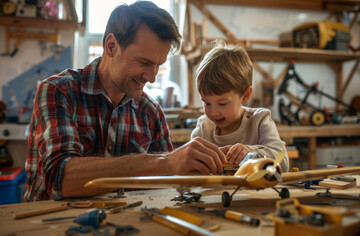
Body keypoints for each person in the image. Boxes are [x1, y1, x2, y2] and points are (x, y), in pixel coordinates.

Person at [24, 1, 227, 202]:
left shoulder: (151, 111)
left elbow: (169, 184)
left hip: (123, 225)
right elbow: (60, 181)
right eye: (144, 62)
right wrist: (164, 162)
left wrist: (204, 166)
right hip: (46, 225)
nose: (152, 77)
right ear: (111, 46)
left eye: (159, 65)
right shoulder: (59, 92)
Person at [191, 40, 289, 172]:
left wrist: (252, 153)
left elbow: (283, 162)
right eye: (207, 103)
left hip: (256, 192)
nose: (214, 112)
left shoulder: (259, 120)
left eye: (222, 103)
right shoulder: (203, 128)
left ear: (245, 96)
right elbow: (190, 171)